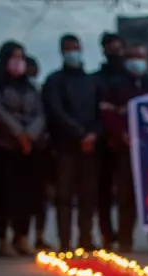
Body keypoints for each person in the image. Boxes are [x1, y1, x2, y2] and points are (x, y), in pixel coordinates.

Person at [0, 41, 46, 257]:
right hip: (4, 146)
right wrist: (18, 133)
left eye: (22, 57)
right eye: (14, 57)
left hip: (29, 148)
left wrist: (30, 134)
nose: (18, 62)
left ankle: (22, 237)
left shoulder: (30, 86)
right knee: (3, 195)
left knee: (28, 195)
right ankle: (3, 239)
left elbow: (40, 113)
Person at [103, 43, 148, 253]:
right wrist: (121, 134)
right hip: (126, 150)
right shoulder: (115, 85)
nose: (136, 61)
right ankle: (125, 240)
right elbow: (107, 114)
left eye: (140, 56)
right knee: (126, 196)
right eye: (132, 56)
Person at [43, 34, 102, 251]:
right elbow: (55, 111)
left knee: (88, 195)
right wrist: (79, 134)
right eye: (69, 49)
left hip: (90, 147)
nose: (73, 53)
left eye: (76, 48)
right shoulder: (54, 81)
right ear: (62, 51)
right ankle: (65, 242)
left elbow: (100, 113)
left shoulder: (91, 81)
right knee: (64, 196)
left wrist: (93, 134)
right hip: (64, 146)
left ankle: (86, 238)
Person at [94, 33, 126, 250]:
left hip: (126, 144)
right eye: (109, 48)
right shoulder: (95, 79)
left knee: (125, 192)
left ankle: (124, 235)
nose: (114, 51)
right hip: (101, 143)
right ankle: (107, 233)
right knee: (102, 191)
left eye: (117, 47)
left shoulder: (129, 78)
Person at [24, 55, 51, 250]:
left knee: (42, 196)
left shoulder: (40, 91)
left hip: (41, 148)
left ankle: (40, 235)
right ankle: (21, 236)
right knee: (23, 196)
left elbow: (45, 114)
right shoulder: (10, 88)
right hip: (17, 147)